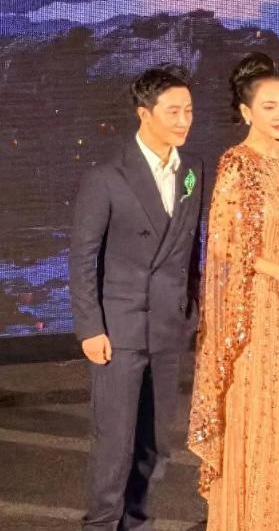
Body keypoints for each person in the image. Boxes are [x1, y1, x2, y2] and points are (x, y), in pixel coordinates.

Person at [188, 53, 279, 530]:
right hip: (254, 308)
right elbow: (224, 246)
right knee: (254, 411)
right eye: (268, 106)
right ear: (246, 112)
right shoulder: (237, 165)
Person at [69, 65, 203, 530]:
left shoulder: (191, 170)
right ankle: (102, 525)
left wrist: (191, 309)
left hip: (167, 325)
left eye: (188, 110)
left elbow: (190, 246)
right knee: (115, 444)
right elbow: (83, 258)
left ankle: (137, 522)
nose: (184, 120)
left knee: (155, 444)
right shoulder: (107, 177)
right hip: (119, 330)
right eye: (173, 112)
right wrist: (90, 328)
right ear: (144, 114)